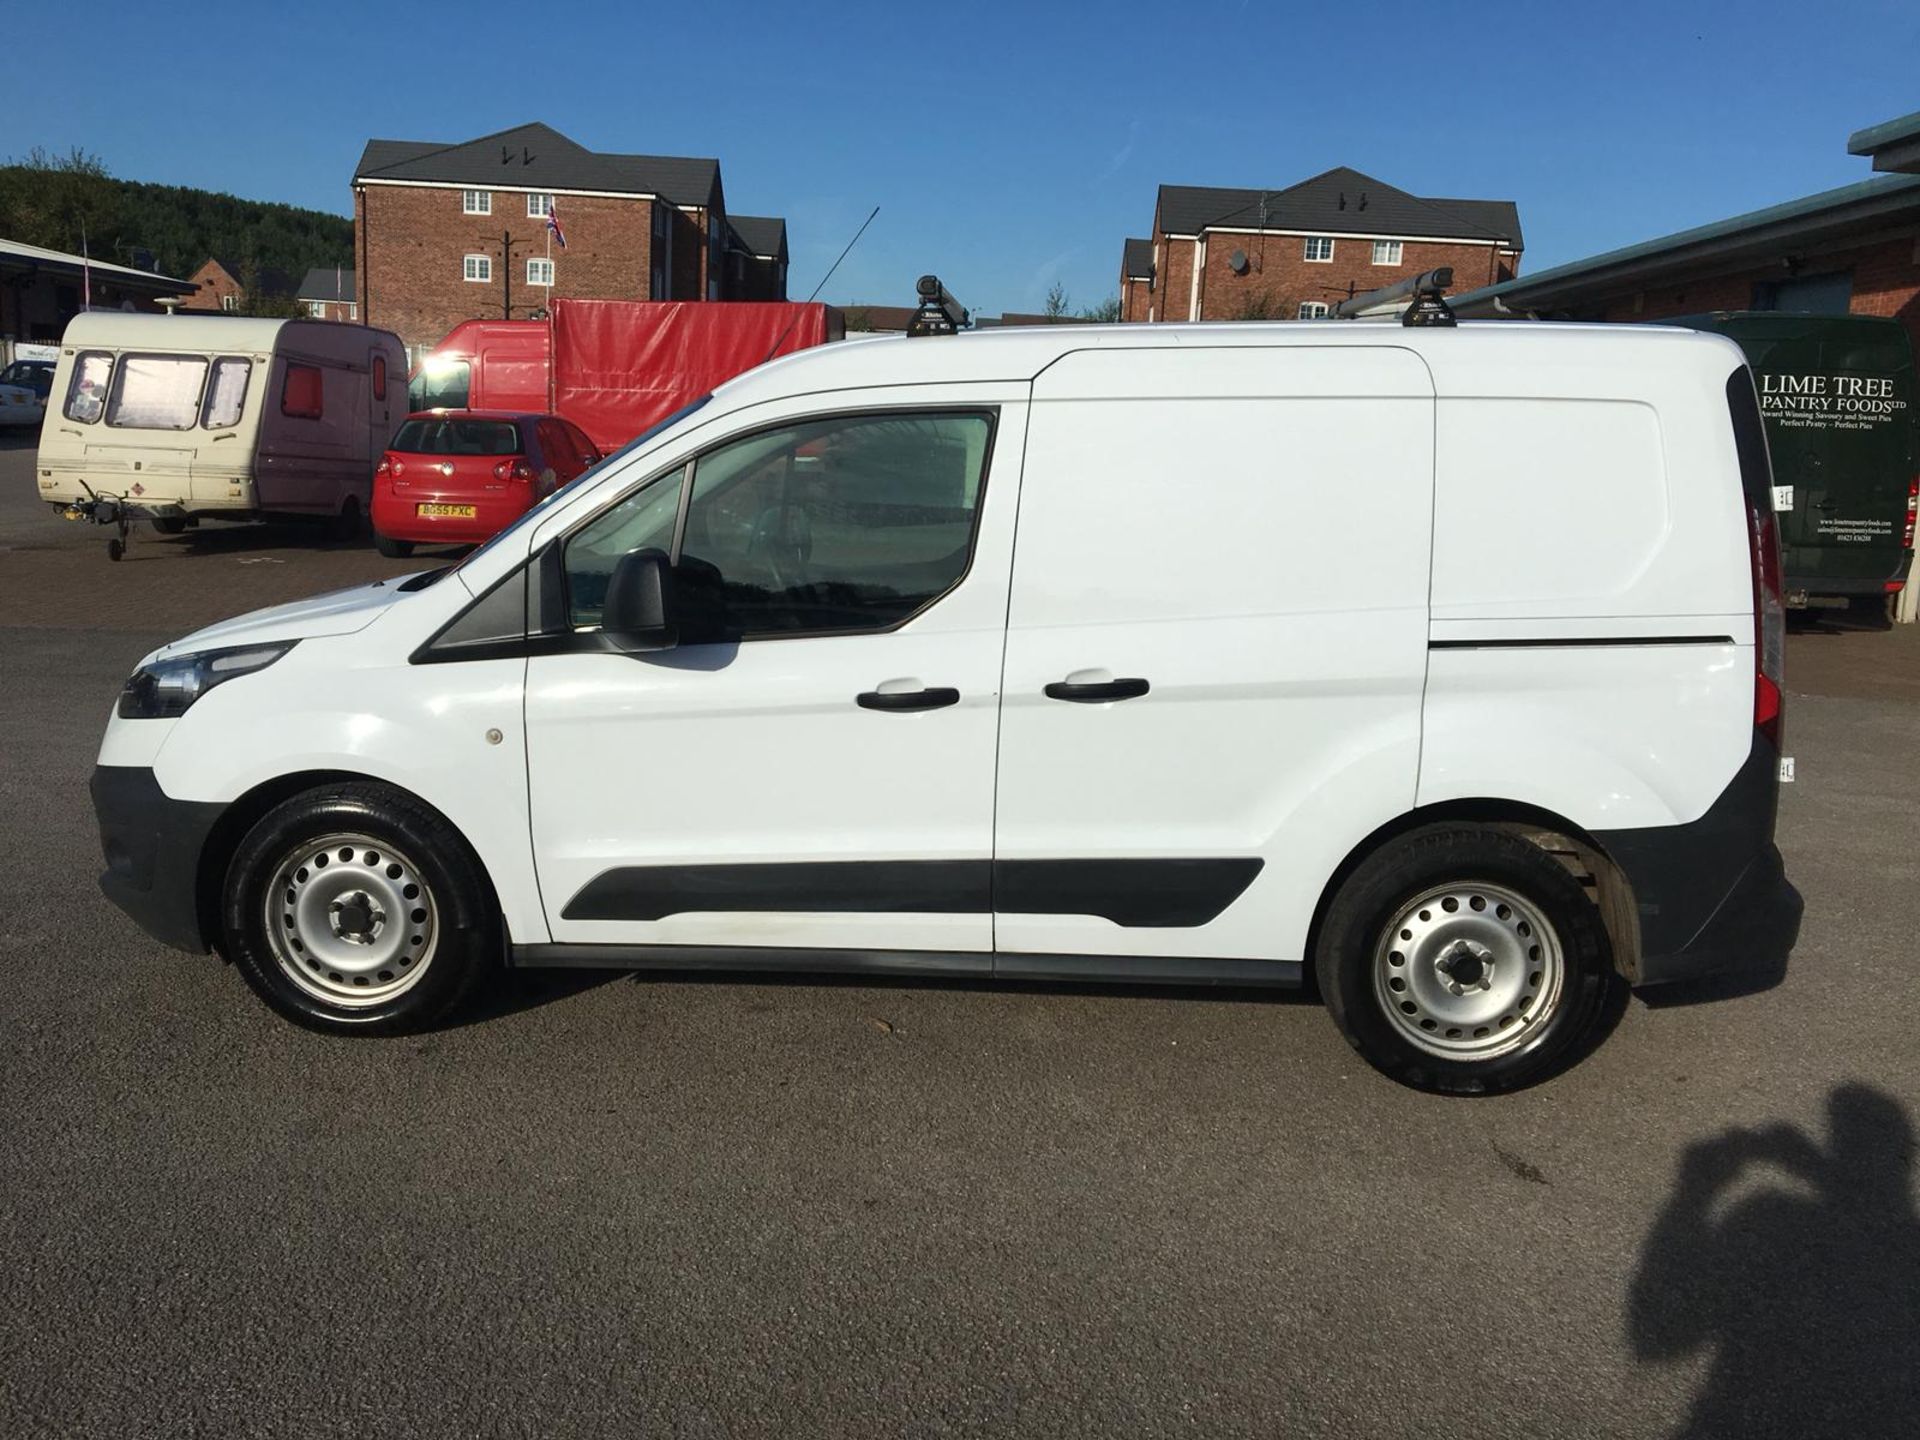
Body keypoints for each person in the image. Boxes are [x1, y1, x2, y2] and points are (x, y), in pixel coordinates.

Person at [1629, 1084, 1920, 1439]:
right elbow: (1876, 1211)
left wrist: (1692, 1193)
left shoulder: (1767, 1214)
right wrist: (1814, 1168)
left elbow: (1658, 1341)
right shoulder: (1901, 1236)